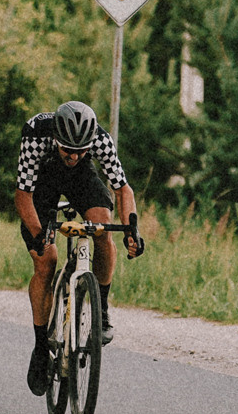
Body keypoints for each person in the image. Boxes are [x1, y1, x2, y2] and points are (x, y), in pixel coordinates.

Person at [13, 99, 143, 394]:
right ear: (56, 138)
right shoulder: (36, 133)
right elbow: (23, 196)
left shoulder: (99, 139)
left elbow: (123, 189)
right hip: (42, 182)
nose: (73, 156)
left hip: (81, 180)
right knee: (46, 260)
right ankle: (40, 346)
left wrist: (131, 231)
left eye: (81, 151)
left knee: (102, 228)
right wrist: (39, 234)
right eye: (68, 150)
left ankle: (102, 308)